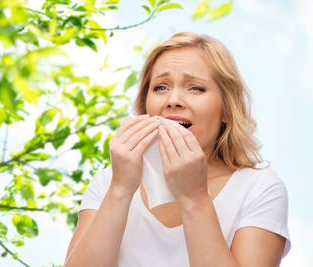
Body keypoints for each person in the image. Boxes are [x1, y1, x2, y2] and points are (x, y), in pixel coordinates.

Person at [64, 32, 291, 267]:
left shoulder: (259, 188)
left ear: (226, 109)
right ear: (145, 106)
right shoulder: (108, 182)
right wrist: (120, 189)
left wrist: (194, 198)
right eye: (160, 87)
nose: (173, 100)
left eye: (195, 88)